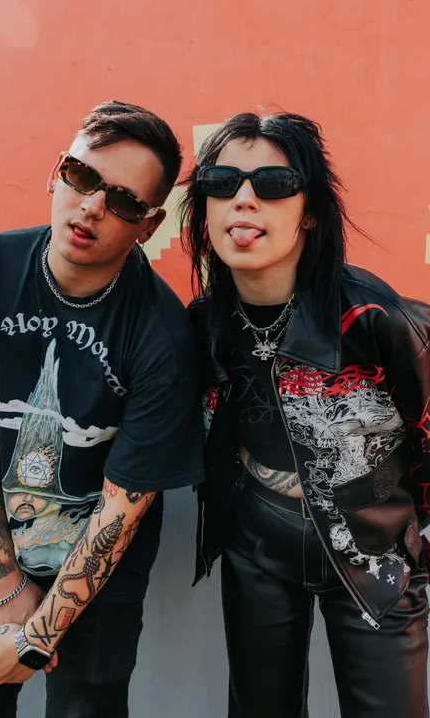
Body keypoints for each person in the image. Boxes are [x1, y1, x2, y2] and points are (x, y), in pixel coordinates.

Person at [0, 99, 204, 717]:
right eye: (82, 176)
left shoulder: (165, 336)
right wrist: (2, 584)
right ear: (56, 173)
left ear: (147, 225)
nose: (91, 205)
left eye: (122, 201)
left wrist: (34, 641)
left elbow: (121, 510)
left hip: (101, 571)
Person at [180, 111, 430, 718]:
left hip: (377, 554)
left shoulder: (377, 319)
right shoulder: (202, 323)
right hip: (256, 550)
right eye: (221, 182)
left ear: (311, 211)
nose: (244, 199)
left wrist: (413, 538)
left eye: (273, 184)